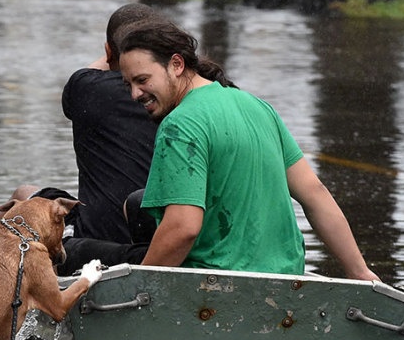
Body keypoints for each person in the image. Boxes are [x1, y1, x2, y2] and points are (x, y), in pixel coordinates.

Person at [116, 18, 380, 281]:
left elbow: (183, 227)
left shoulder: (180, 124)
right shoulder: (256, 106)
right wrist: (360, 271)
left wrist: (140, 285)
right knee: (142, 203)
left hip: (217, 287)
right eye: (128, 84)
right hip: (289, 281)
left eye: (142, 80)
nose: (135, 95)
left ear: (176, 65)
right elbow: (315, 193)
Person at [0, 4, 162, 275]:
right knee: (27, 192)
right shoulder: (184, 99)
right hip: (164, 240)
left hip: (100, 247)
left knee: (23, 195)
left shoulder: (89, 88)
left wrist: (115, 52)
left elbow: (88, 72)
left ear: (108, 51)